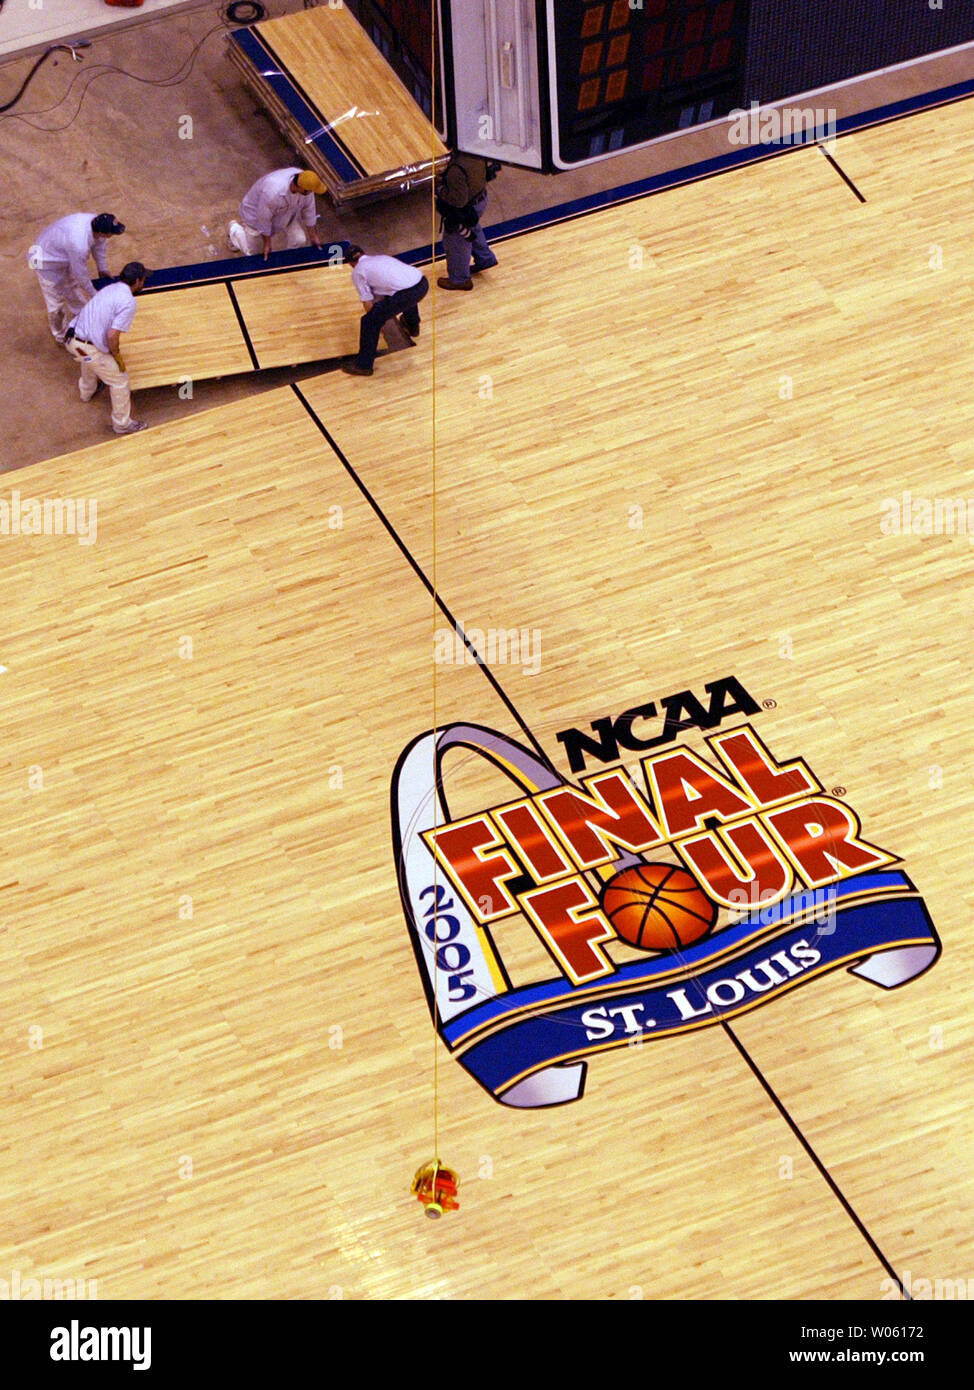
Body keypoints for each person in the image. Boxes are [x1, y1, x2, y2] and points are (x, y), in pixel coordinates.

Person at [63, 262, 149, 436]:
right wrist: (116, 356)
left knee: (88, 360)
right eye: (144, 280)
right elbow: (112, 335)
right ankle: (122, 424)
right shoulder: (128, 302)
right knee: (120, 380)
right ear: (138, 281)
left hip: (73, 342)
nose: (144, 283)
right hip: (87, 348)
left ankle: (87, 392)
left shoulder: (110, 288)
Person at [28, 212, 126, 343]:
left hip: (60, 251)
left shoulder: (95, 222)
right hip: (44, 260)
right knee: (55, 302)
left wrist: (102, 269)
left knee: (71, 287)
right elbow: (81, 275)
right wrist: (94, 293)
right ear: (103, 232)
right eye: (111, 233)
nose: (112, 235)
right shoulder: (79, 244)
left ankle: (81, 315)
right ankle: (61, 335)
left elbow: (100, 246)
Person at [341, 245, 429, 378]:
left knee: (369, 321)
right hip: (422, 283)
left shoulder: (358, 271)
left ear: (350, 263)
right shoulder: (381, 258)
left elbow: (367, 301)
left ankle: (363, 365)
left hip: (406, 293)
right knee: (405, 295)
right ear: (364, 253)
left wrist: (378, 322)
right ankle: (412, 326)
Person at [228, 169, 327, 260]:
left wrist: (313, 236)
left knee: (299, 240)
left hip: (285, 212)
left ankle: (285, 261)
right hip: (255, 215)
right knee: (255, 254)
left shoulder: (306, 182)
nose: (311, 193)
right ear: (302, 188)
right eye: (310, 191)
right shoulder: (272, 192)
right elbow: (263, 218)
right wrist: (267, 243)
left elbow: (309, 210)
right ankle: (234, 229)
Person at [435, 152, 499, 291]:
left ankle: (459, 280)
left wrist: (440, 189)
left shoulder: (456, 171)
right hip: (479, 200)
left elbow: (458, 201)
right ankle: (485, 258)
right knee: (472, 228)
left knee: (456, 241)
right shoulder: (475, 152)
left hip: (464, 210)